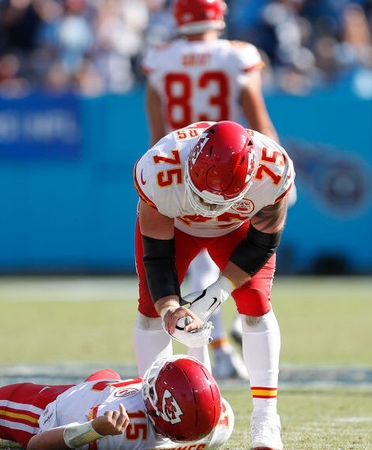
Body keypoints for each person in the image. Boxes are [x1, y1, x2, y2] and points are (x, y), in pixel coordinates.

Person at [140, 0, 280, 381]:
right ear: (217, 15)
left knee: (196, 269)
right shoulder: (237, 55)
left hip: (180, 169)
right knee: (224, 268)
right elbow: (258, 120)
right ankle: (215, 349)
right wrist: (274, 167)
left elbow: (157, 135)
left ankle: (211, 351)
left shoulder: (160, 58)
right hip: (232, 171)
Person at [133, 120, 294, 450]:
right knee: (151, 312)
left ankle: (266, 419)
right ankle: (157, 418)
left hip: (235, 228)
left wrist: (219, 291)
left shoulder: (273, 170)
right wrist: (171, 308)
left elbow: (263, 243)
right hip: (178, 227)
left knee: (256, 305)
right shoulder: (160, 167)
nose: (208, 210)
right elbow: (158, 258)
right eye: (203, 199)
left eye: (217, 202)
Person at [0, 355, 235, 449]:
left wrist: (94, 429)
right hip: (95, 391)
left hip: (49, 412)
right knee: (106, 373)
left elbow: (41, 444)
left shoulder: (120, 428)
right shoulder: (214, 422)